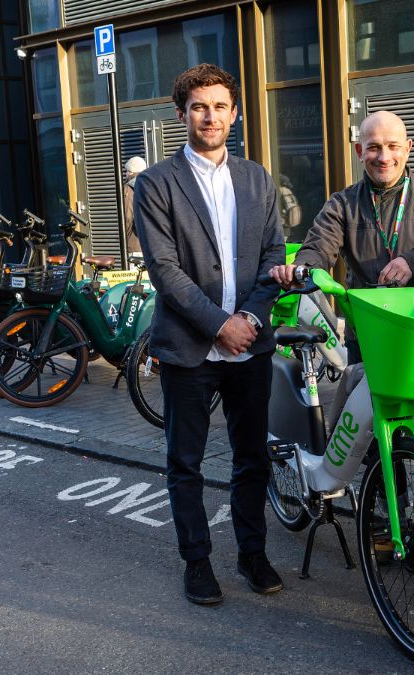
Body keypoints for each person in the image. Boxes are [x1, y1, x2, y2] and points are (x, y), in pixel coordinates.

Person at [267, 110, 414, 577]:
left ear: (408, 148)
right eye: (373, 147)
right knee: (377, 438)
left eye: (393, 146)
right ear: (359, 151)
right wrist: (304, 269)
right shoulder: (343, 203)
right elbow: (319, 247)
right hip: (371, 338)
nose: (384, 156)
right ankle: (382, 524)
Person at [133, 64, 286, 606]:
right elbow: (165, 270)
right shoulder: (155, 184)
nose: (211, 116)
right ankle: (197, 561)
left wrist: (250, 319)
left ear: (235, 113)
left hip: (251, 347)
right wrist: (220, 324)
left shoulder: (256, 178)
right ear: (182, 114)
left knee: (252, 458)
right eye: (200, 107)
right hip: (190, 347)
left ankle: (251, 554)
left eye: (220, 106)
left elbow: (274, 256)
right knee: (186, 463)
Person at [122, 156, 146, 256]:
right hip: (151, 245)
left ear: (132, 172)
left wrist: (125, 238)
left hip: (134, 245)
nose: (126, 174)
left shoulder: (128, 189)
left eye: (127, 171)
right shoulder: (149, 186)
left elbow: (127, 216)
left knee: (135, 272)